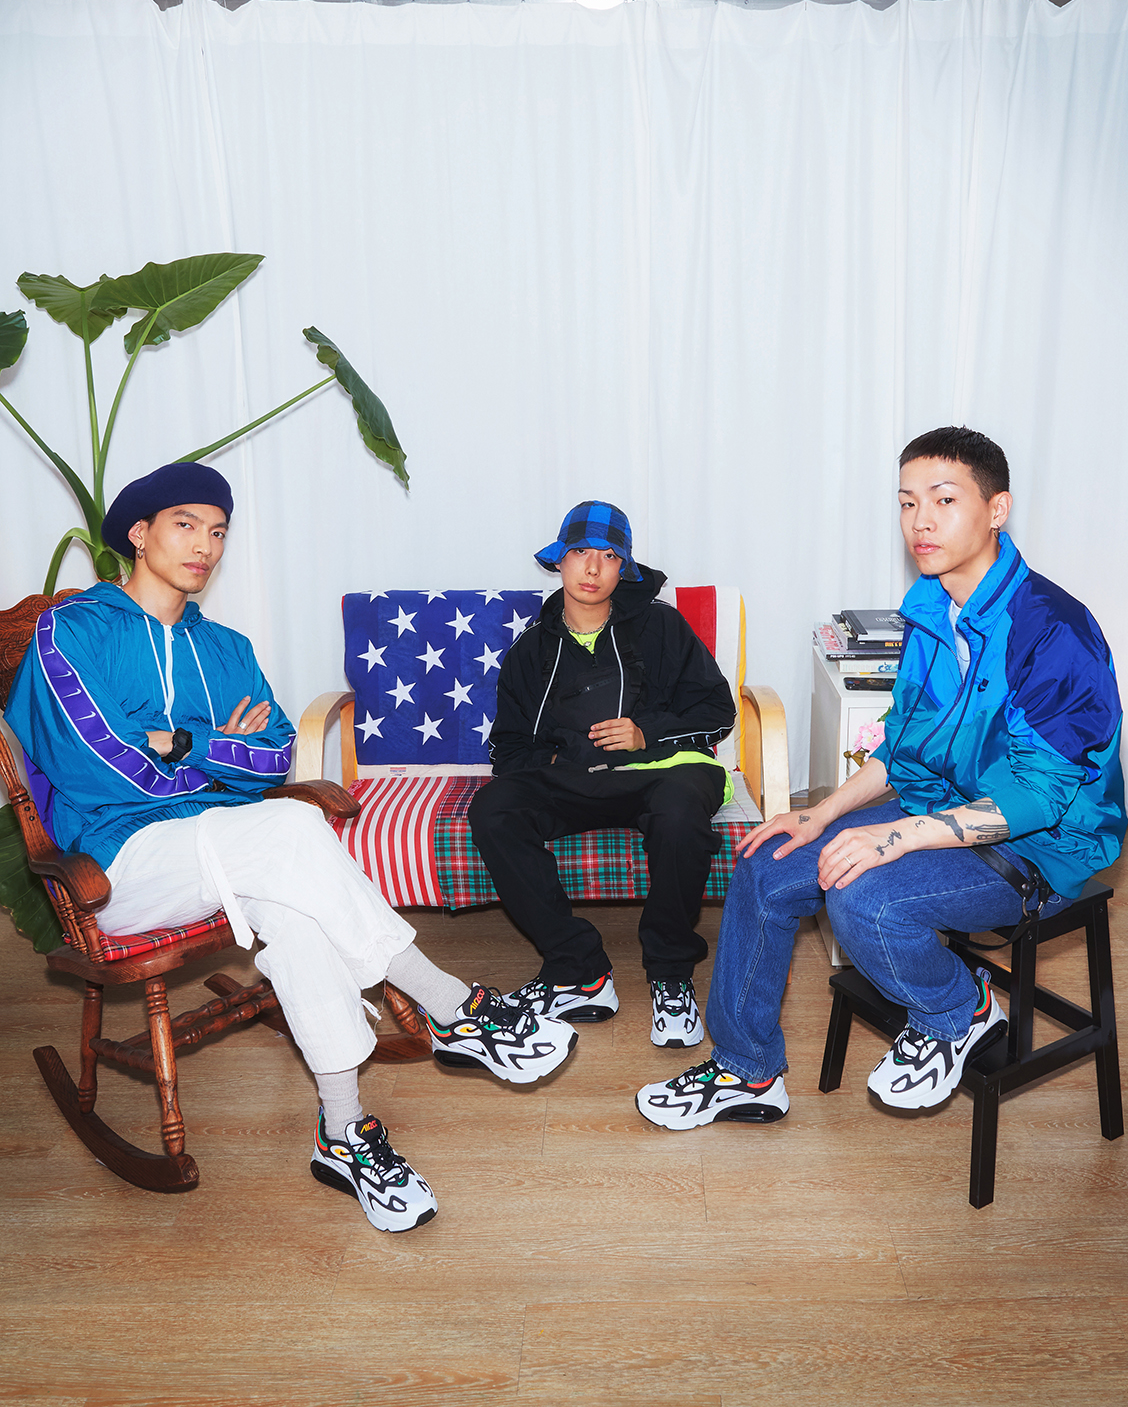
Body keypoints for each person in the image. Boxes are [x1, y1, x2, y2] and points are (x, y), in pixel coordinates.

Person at [6, 462, 575, 1232]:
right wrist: (216, 753)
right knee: (290, 828)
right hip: (118, 865)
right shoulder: (72, 631)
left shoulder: (229, 648)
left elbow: (274, 756)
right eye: (185, 525)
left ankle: (343, 1130)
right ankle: (451, 1004)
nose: (205, 546)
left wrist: (180, 742)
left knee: (299, 911)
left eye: (218, 532)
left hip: (234, 852)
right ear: (138, 533)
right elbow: (95, 761)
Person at [637, 427, 1125, 1129]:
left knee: (862, 896)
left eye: (944, 499)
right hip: (942, 808)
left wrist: (897, 836)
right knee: (767, 860)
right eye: (906, 502)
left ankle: (961, 1009)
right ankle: (747, 1069)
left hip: (1039, 848)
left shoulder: (1053, 630)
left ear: (996, 509)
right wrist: (822, 813)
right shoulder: (930, 608)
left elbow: (1038, 797)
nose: (920, 520)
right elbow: (902, 745)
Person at [468, 502, 737, 1048]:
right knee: (494, 808)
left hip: (666, 770)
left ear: (624, 568)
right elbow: (509, 745)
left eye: (609, 556)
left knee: (680, 812)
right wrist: (550, 765)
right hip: (577, 780)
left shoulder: (660, 624)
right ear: (559, 562)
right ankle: (579, 969)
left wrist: (646, 732)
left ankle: (671, 975)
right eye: (580, 553)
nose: (592, 568)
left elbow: (718, 709)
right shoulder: (529, 651)